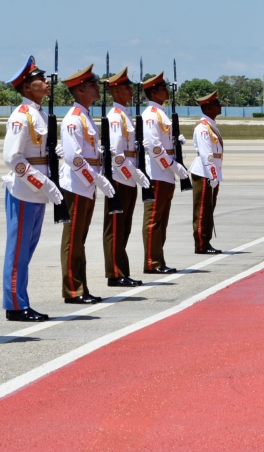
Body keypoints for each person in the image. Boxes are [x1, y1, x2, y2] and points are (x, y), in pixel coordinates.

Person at [1, 56, 63, 322]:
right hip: (24, 189)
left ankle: (21, 299)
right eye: (41, 79)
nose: (47, 82)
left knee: (27, 250)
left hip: (37, 189)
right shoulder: (21, 116)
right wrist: (43, 182)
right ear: (27, 87)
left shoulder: (41, 113)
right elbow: (13, 158)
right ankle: (15, 305)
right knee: (18, 250)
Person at [59, 65, 116, 305]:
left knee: (79, 238)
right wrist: (96, 178)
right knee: (73, 239)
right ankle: (73, 290)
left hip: (86, 183)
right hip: (77, 184)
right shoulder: (74, 119)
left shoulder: (85, 116)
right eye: (92, 85)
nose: (97, 88)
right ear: (81, 89)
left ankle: (80, 286)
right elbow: (74, 158)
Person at [102, 68, 150, 287]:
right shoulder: (115, 118)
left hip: (128, 177)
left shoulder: (125, 115)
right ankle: (115, 273)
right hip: (120, 178)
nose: (131, 91)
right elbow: (116, 155)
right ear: (116, 91)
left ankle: (121, 270)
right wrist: (134, 174)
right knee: (115, 228)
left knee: (124, 227)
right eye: (126, 88)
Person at [141, 71, 190, 275]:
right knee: (153, 220)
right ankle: (151, 262)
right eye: (163, 88)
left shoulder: (161, 113)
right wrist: (173, 165)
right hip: (157, 172)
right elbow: (154, 147)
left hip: (166, 172)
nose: (167, 91)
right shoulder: (151, 115)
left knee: (162, 221)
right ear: (154, 92)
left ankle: (159, 259)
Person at [189, 90, 224, 255]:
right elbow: (206, 154)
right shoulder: (203, 128)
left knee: (209, 208)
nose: (220, 106)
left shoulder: (210, 125)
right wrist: (213, 175)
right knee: (202, 210)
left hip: (210, 172)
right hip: (204, 172)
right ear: (209, 108)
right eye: (217, 104)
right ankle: (201, 244)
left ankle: (206, 241)